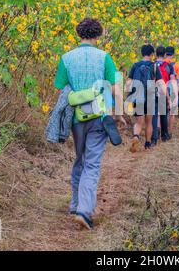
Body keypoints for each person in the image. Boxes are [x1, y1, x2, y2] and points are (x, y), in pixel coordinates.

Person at [53, 17, 125, 230]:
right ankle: (84, 210)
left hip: (76, 118)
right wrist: (119, 114)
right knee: (92, 163)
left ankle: (75, 204)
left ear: (79, 34)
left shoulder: (66, 58)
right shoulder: (104, 57)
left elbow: (61, 90)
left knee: (80, 159)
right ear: (98, 35)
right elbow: (115, 88)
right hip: (99, 117)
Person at [127, 44, 165, 152]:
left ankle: (136, 136)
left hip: (138, 96)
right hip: (150, 96)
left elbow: (129, 82)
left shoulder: (135, 65)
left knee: (139, 122)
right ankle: (148, 143)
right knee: (149, 122)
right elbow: (160, 82)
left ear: (142, 53)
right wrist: (165, 94)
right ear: (152, 54)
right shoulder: (154, 66)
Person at [152, 46, 175, 145]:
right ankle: (164, 135)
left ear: (156, 54)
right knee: (164, 113)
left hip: (152, 91)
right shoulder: (169, 66)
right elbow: (172, 80)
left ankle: (155, 133)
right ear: (165, 54)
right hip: (164, 90)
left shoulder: (151, 65)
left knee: (154, 113)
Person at [164, 46, 179, 134]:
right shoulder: (177, 65)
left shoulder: (161, 63)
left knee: (162, 111)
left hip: (163, 86)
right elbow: (178, 80)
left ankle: (161, 131)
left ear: (165, 53)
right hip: (173, 87)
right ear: (173, 54)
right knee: (172, 112)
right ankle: (169, 132)